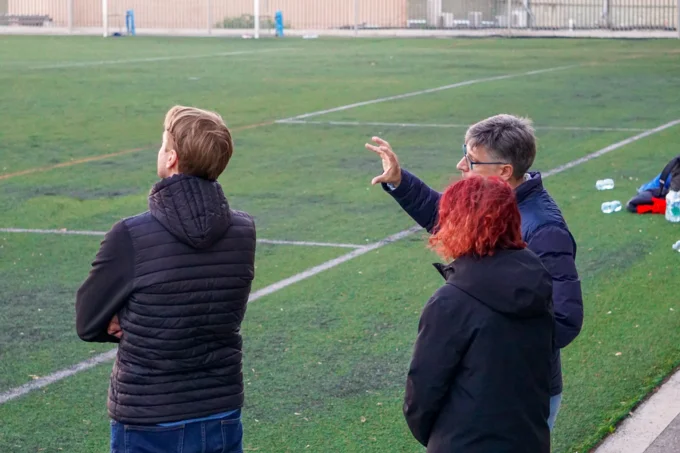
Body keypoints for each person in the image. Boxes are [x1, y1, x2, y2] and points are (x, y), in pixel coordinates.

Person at [366, 114, 583, 430]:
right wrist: (400, 181)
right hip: (485, 382)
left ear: (504, 171)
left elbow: (565, 320)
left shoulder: (544, 229)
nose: (461, 165)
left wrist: (493, 341)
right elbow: (449, 220)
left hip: (522, 390)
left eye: (472, 160)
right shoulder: (491, 203)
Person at [75, 105, 256, 453]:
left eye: (163, 144)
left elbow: (87, 321)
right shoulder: (244, 231)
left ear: (171, 158)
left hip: (149, 416)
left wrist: (127, 320)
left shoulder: (130, 235)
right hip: (221, 411)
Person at [404, 175, 554, 452]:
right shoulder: (536, 274)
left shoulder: (451, 302)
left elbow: (423, 392)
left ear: (457, 224)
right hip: (529, 439)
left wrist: (441, 439)